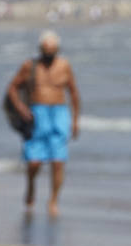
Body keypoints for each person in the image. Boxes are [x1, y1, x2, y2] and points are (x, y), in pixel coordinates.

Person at [7, 30, 81, 216]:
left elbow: (73, 93)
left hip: (59, 113)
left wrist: (75, 120)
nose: (50, 54)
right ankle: (31, 184)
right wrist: (22, 109)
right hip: (36, 114)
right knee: (34, 162)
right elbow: (12, 88)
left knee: (58, 161)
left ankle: (53, 200)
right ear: (41, 49)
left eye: (54, 50)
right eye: (47, 50)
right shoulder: (30, 66)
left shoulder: (64, 66)